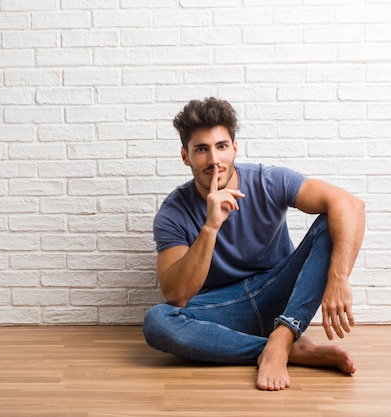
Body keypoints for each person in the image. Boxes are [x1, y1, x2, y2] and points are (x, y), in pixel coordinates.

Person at [142, 97, 365, 391]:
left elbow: (351, 205)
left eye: (221, 146)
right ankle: (282, 348)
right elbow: (176, 295)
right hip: (225, 308)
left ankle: (284, 334)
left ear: (234, 148)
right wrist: (210, 227)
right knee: (157, 321)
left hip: (278, 294)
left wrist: (338, 278)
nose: (213, 160)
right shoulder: (173, 211)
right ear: (186, 156)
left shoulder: (267, 181)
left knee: (330, 221)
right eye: (201, 149)